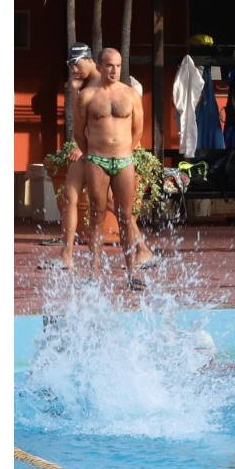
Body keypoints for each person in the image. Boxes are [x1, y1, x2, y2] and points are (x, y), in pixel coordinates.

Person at [48, 44, 154, 271]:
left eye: (76, 64)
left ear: (90, 62)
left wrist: (120, 150)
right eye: (70, 65)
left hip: (111, 154)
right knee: (72, 197)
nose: (74, 69)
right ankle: (70, 256)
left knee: (117, 208)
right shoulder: (85, 88)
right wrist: (88, 149)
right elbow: (80, 123)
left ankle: (140, 251)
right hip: (92, 152)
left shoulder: (110, 87)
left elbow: (136, 129)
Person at [74, 48, 145, 287]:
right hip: (97, 160)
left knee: (126, 216)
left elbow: (138, 129)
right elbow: (78, 132)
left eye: (118, 66)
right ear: (100, 67)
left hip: (124, 160)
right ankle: (94, 273)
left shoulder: (130, 95)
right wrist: (91, 154)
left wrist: (125, 151)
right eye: (109, 66)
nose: (114, 70)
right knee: (97, 214)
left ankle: (132, 272)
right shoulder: (87, 96)